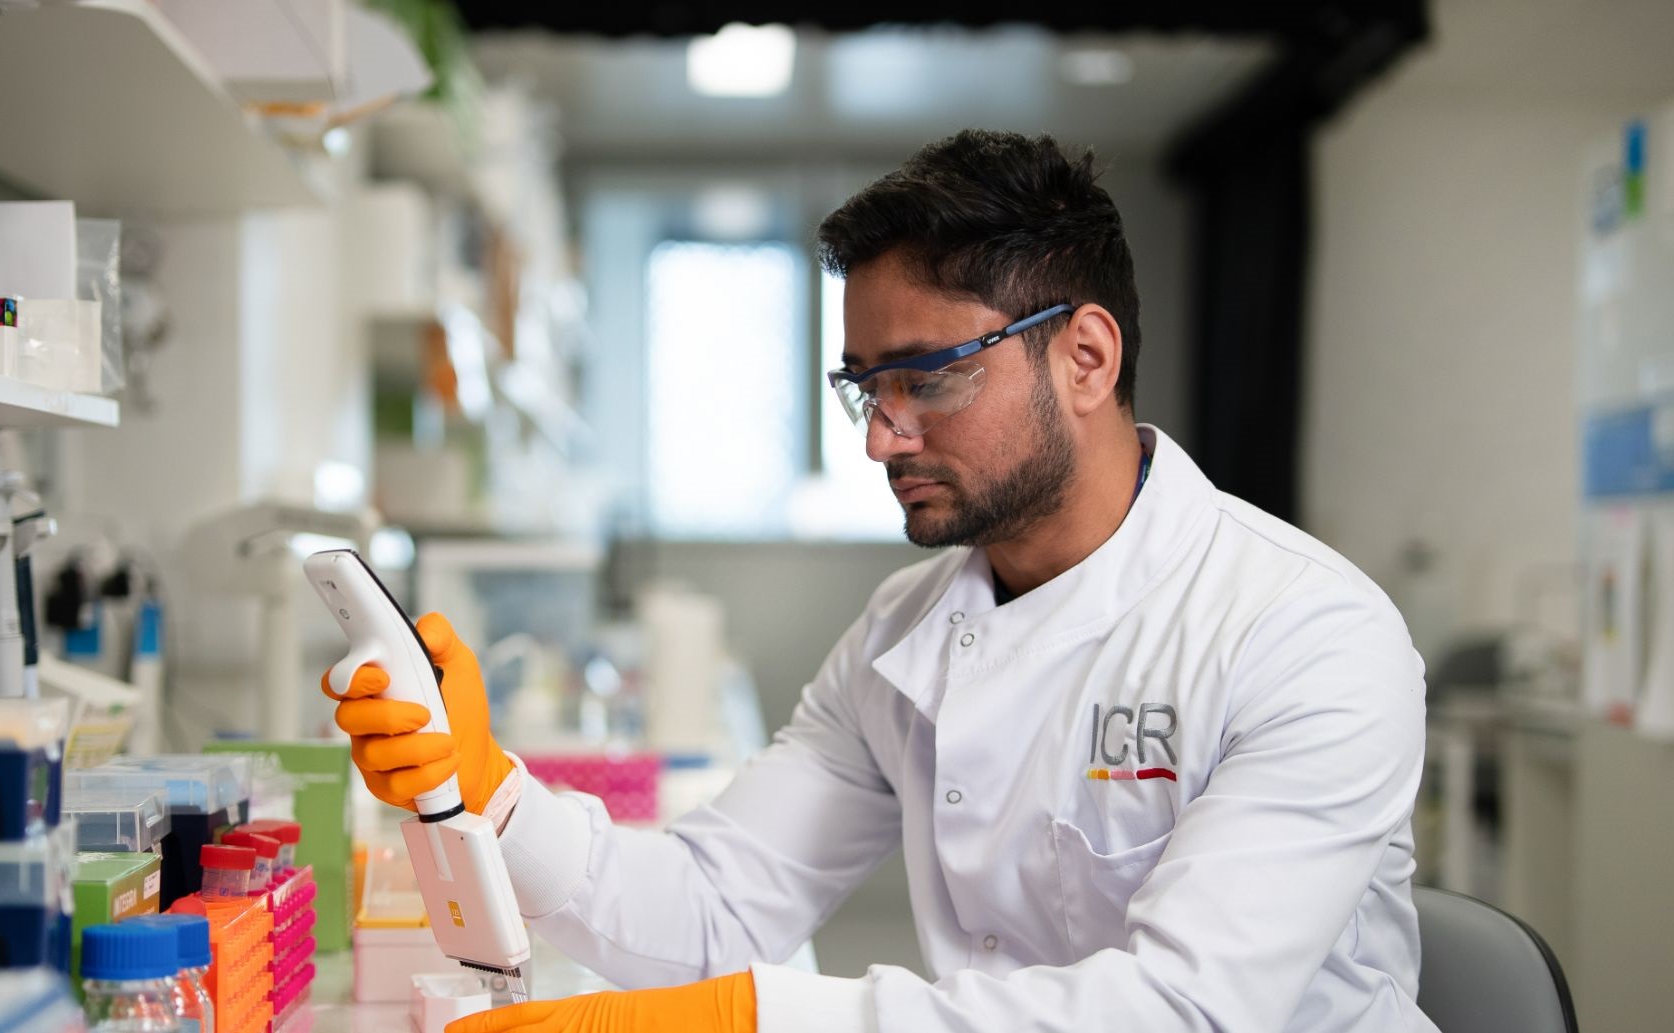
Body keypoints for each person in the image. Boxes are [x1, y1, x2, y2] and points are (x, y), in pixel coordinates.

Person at [326, 129, 1436, 1032]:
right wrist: (490, 787)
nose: (881, 438)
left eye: (928, 379)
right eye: (866, 386)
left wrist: (753, 1021)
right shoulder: (904, 633)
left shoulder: (1306, 632)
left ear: (1085, 359)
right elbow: (715, 906)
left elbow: (1183, 1010)